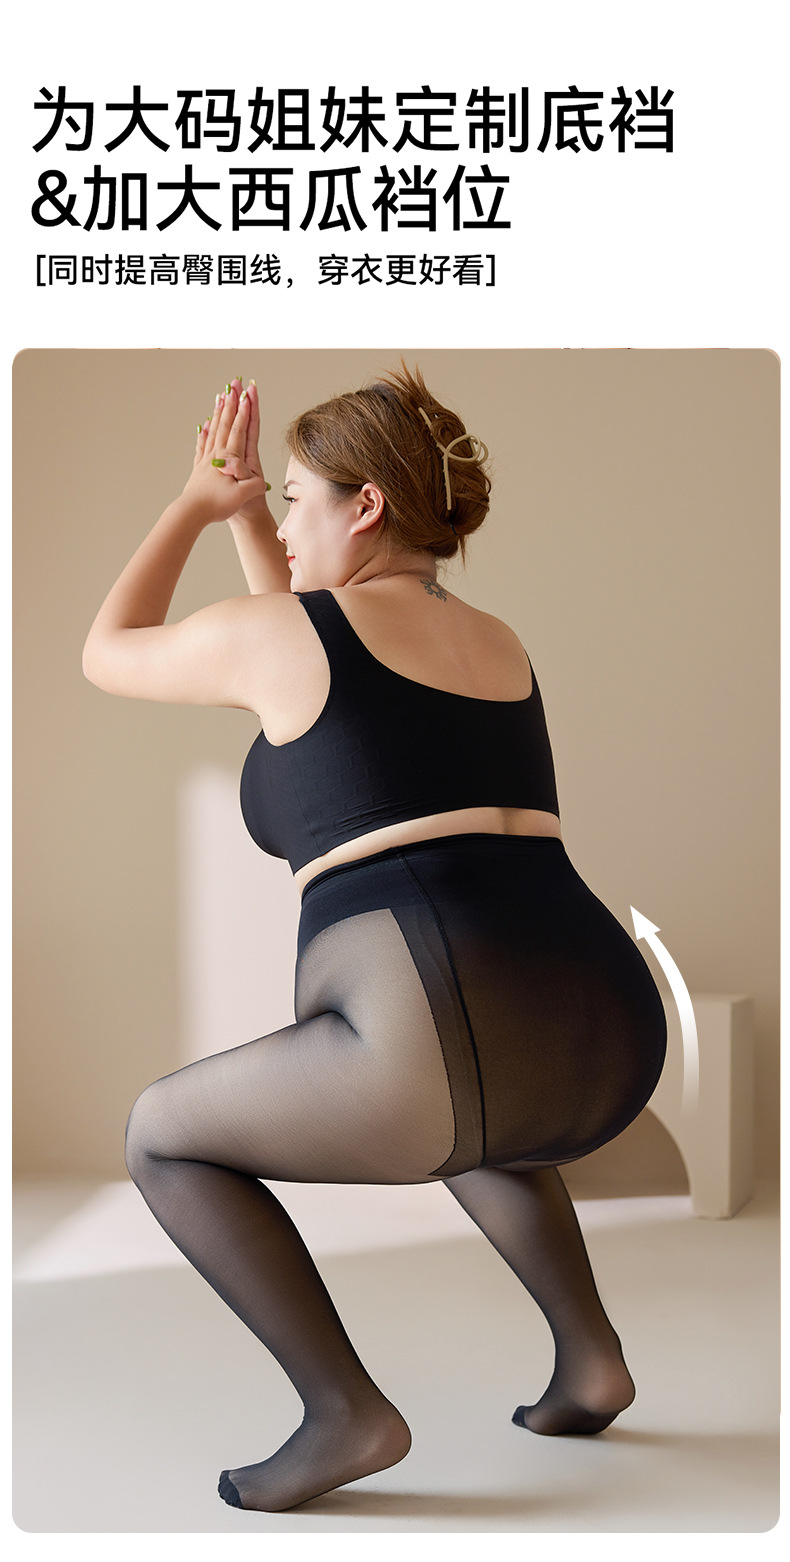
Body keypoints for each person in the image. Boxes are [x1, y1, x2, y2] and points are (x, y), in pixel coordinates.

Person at [82, 363, 667, 1514]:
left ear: (365, 506)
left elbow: (111, 648)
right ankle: (592, 1360)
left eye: (296, 501)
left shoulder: (285, 637)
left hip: (433, 1026)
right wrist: (253, 514)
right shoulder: (496, 640)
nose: (281, 528)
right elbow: (311, 669)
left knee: (162, 1133)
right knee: (485, 1118)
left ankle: (344, 1411)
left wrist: (195, 504)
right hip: (599, 1030)